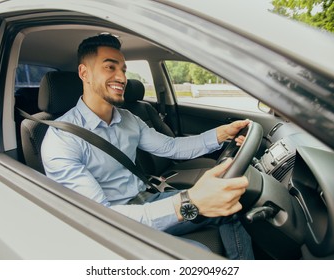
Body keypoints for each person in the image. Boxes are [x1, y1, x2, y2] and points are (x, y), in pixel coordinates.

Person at [41, 34, 254, 259]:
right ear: (84, 73)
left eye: (123, 70)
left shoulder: (128, 119)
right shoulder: (62, 139)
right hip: (117, 224)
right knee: (199, 256)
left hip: (147, 199)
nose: (121, 77)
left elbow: (172, 147)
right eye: (110, 67)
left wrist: (221, 134)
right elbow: (102, 218)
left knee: (230, 206)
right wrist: (187, 203)